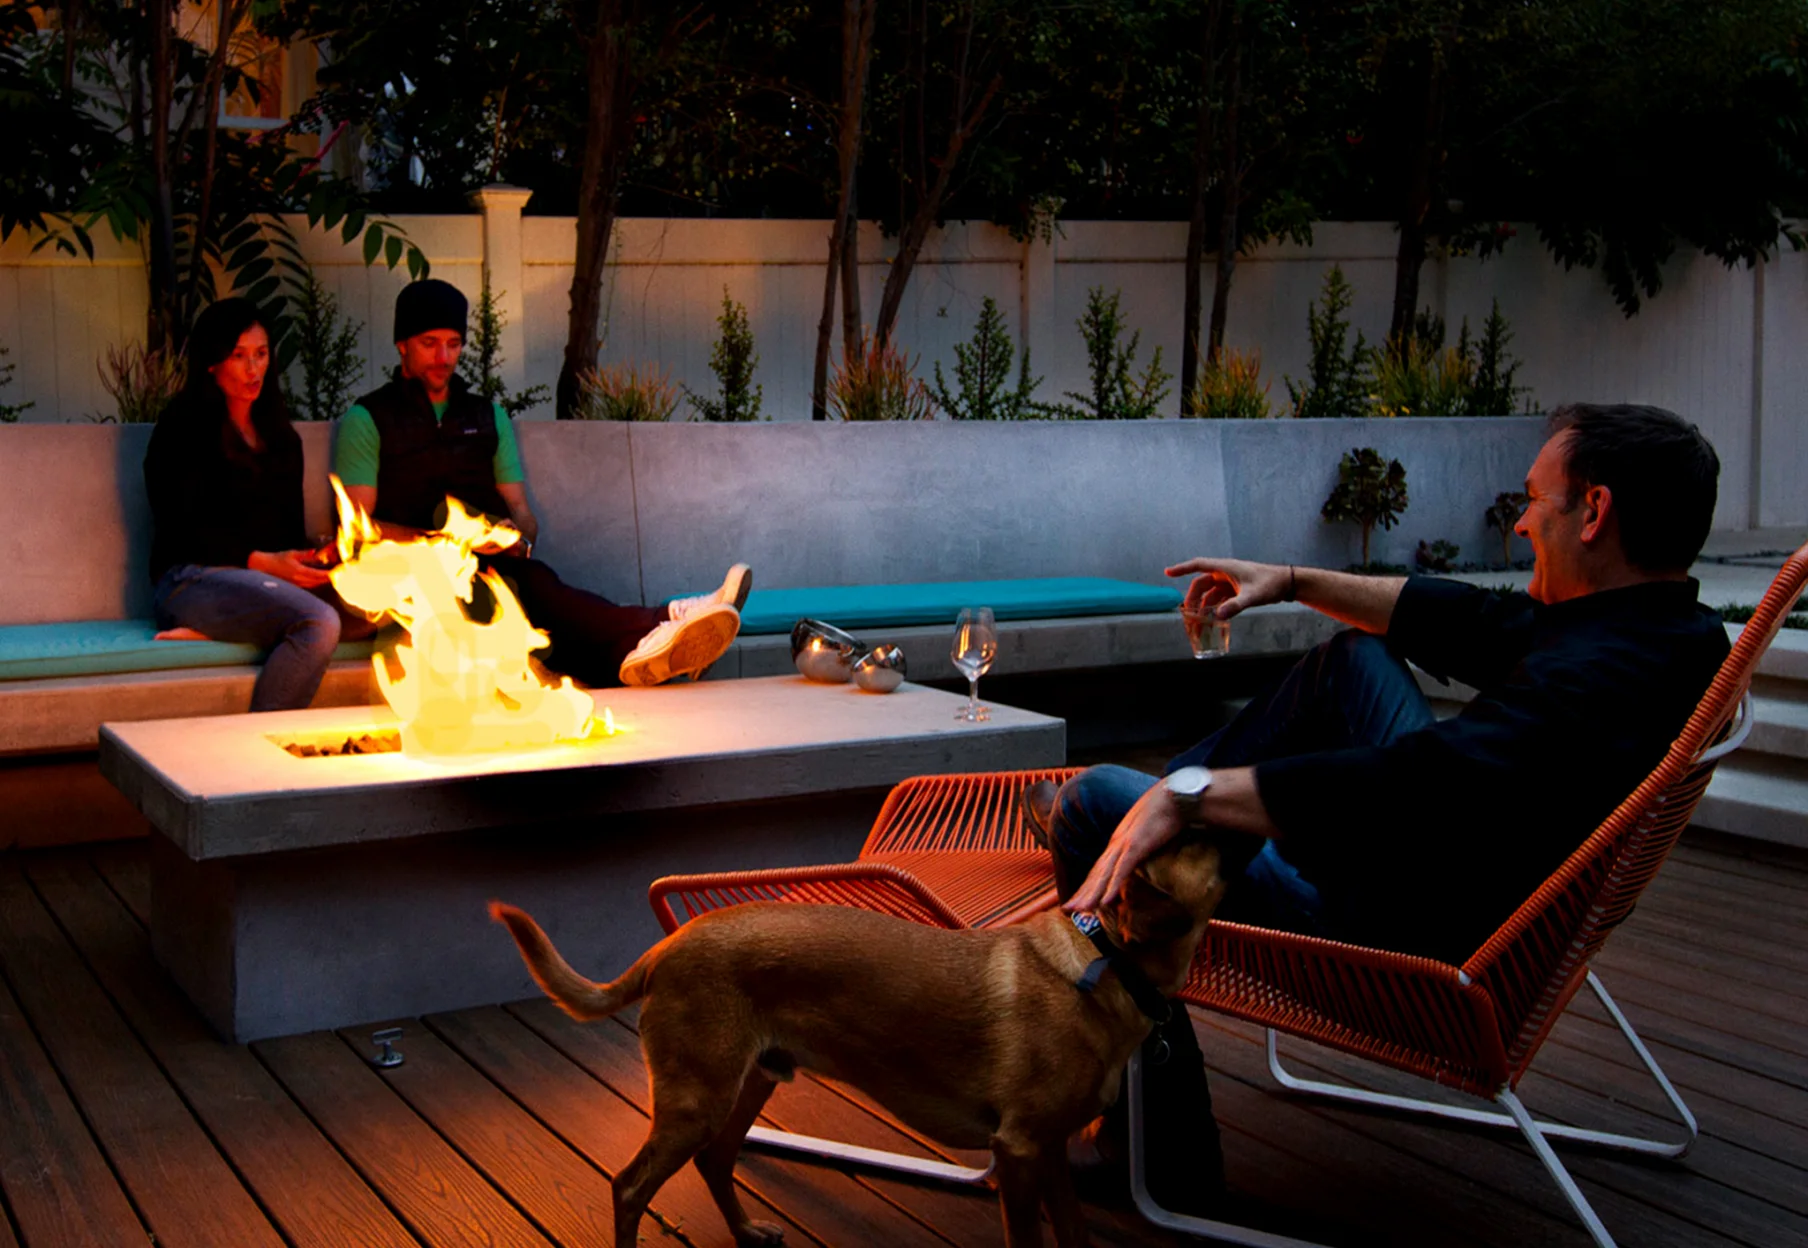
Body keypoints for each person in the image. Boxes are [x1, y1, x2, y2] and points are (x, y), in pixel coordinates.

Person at [1026, 403, 1731, 1209]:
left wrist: (1195, 798)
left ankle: (1163, 1152)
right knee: (1352, 661)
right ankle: (1152, 818)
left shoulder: (1598, 681)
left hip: (1417, 947)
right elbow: (1468, 620)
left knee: (1094, 801)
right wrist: (1288, 580)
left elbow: (1420, 781)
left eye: (1535, 500)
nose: (1524, 525)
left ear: (1595, 511)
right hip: (1446, 865)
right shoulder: (1663, 633)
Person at [333, 279, 749, 687]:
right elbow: (361, 533)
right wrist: (453, 541)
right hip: (416, 573)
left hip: (494, 564)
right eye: (429, 343)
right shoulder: (367, 420)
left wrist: (515, 537)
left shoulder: (487, 416)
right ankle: (667, 619)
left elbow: (523, 515)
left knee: (531, 587)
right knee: (534, 589)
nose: (444, 357)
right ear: (402, 344)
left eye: (454, 343)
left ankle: (638, 655)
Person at [144, 298, 373, 712]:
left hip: (264, 584)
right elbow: (183, 529)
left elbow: (284, 534)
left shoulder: (281, 437)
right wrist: (263, 563)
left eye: (261, 354)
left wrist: (314, 557)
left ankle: (230, 628)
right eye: (238, 356)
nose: (254, 370)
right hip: (191, 580)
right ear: (213, 363)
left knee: (379, 608)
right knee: (319, 624)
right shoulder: (182, 427)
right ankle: (262, 744)